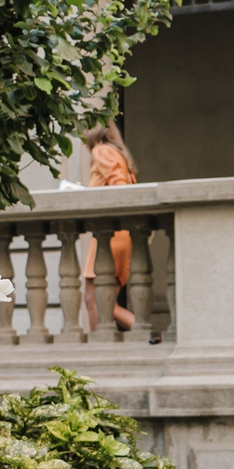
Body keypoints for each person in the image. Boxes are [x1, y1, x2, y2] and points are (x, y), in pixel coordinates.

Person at [74, 124, 139, 335]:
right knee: (106, 300)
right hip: (122, 234)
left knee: (92, 298)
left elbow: (119, 188)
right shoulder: (118, 152)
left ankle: (101, 341)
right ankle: (142, 328)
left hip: (111, 235)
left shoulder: (101, 150)